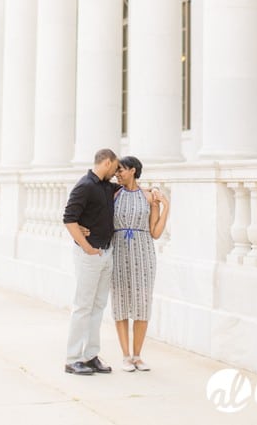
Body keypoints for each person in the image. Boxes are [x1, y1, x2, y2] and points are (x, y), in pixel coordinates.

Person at [62, 148, 120, 375]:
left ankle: (90, 356)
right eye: (115, 168)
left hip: (106, 253)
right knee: (83, 306)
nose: (116, 174)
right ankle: (72, 358)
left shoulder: (107, 186)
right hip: (90, 254)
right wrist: (87, 247)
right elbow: (69, 219)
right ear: (107, 163)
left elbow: (129, 186)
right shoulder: (85, 186)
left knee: (98, 307)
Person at [110, 155, 169, 372]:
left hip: (144, 253)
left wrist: (166, 206)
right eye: (116, 171)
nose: (118, 174)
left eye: (121, 170)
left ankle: (137, 356)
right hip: (119, 252)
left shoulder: (148, 196)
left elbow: (155, 232)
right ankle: (125, 356)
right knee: (121, 304)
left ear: (133, 170)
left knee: (142, 305)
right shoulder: (113, 194)